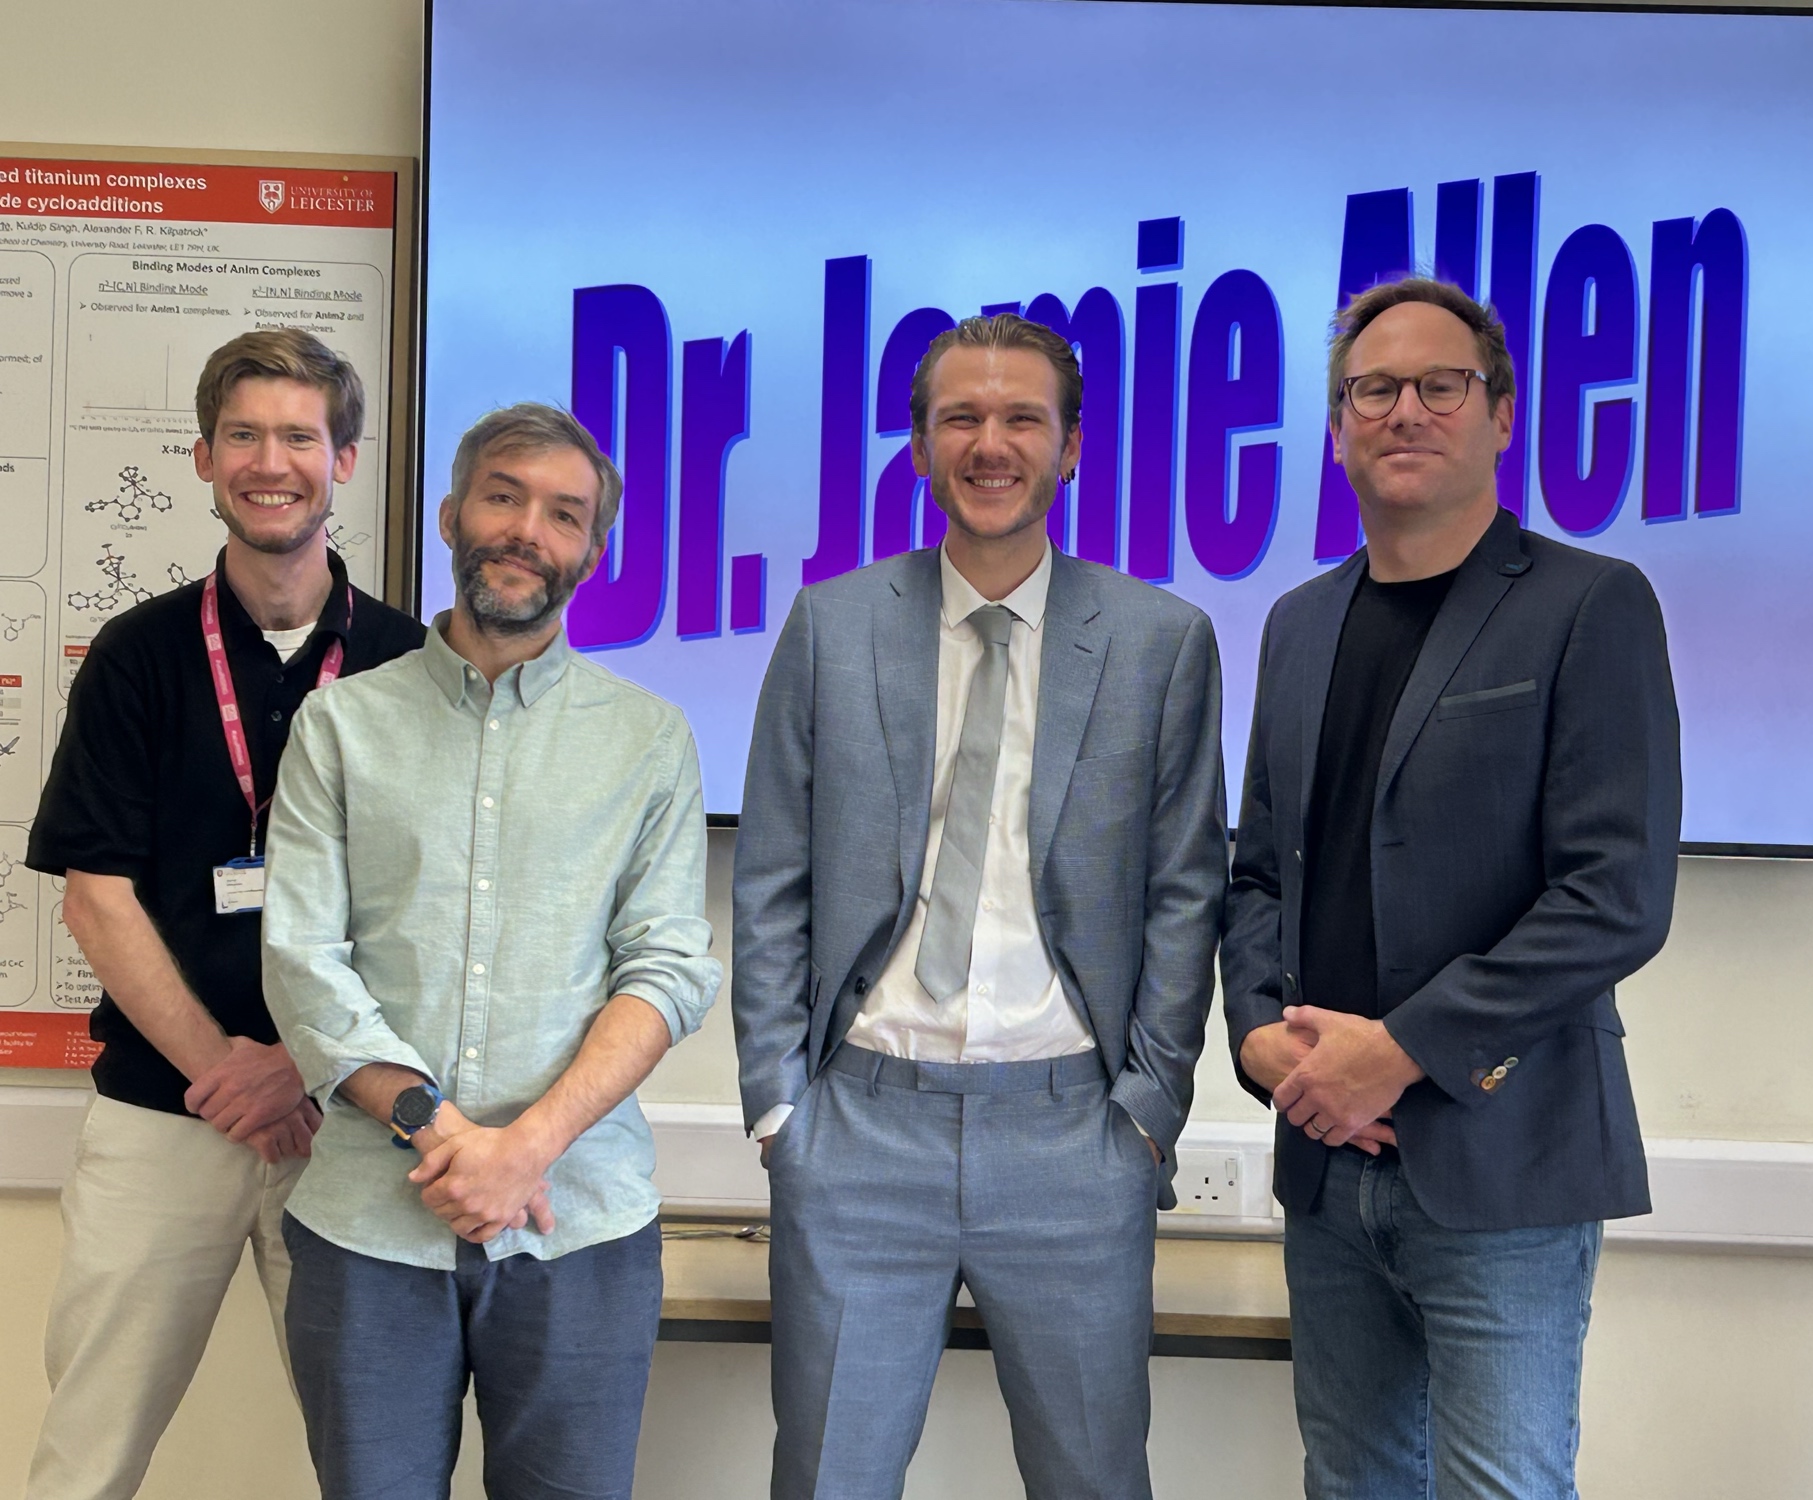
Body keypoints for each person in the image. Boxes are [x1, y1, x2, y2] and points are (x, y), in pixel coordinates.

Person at [733, 313, 1226, 1500]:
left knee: (1093, 1481)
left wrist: (1145, 1110)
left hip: (1074, 1137)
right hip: (858, 1129)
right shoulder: (831, 625)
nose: (988, 444)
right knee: (827, 1481)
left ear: (1070, 447)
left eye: (1020, 419)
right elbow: (772, 877)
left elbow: (1184, 890)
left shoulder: (1160, 643)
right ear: (918, 447)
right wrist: (778, 1109)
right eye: (959, 417)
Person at [1220, 277, 1681, 1500]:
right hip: (1324, 1157)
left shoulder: (1589, 605)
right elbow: (1257, 871)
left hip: (1505, 1161)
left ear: (1500, 414)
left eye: (1440, 384)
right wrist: (1258, 1036)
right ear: (1337, 427)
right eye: (1373, 389)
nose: (1404, 411)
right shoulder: (1297, 624)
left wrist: (1402, 1050)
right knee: (1349, 1483)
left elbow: (1614, 894)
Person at [260, 402, 722, 1500]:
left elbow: (666, 969)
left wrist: (526, 1150)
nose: (526, 529)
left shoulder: (649, 739)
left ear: (592, 553)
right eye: (503, 496)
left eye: (563, 514)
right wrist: (442, 1130)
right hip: (370, 1228)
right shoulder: (339, 726)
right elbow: (301, 960)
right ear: (450, 515)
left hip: (580, 1222)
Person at [22, 329, 425, 1499]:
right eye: (242, 435)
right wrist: (229, 1075)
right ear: (203, 458)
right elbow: (97, 897)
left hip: (348, 1122)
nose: (269, 462)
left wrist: (300, 1068)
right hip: (166, 1114)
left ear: (343, 460)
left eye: (298, 436)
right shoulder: (139, 656)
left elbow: (430, 917)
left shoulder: (410, 665)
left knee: (378, 1458)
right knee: (88, 1452)